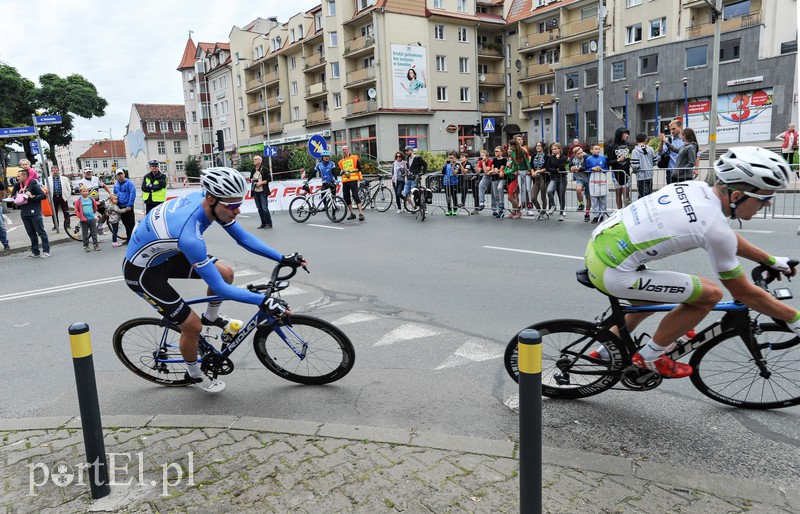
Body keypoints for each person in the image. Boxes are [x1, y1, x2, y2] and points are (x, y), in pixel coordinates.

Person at [585, 147, 800, 378]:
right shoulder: (714, 226)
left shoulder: (695, 188)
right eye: (765, 198)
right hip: (615, 272)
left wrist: (770, 260)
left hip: (599, 248)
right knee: (710, 295)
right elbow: (746, 293)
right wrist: (794, 318)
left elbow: (724, 236)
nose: (768, 204)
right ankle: (650, 357)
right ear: (737, 196)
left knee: (649, 299)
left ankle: (606, 350)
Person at [123, 167, 307, 393]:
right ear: (211, 199)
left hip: (166, 254)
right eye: (232, 206)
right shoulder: (189, 235)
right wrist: (263, 301)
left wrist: (282, 257)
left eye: (239, 203)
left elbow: (243, 238)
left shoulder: (210, 202)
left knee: (225, 272)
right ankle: (194, 374)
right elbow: (221, 289)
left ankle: (212, 316)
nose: (237, 210)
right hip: (143, 272)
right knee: (192, 326)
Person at [11, 169, 50, 258]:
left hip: (35, 213)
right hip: (24, 213)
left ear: (25, 177)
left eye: (19, 176)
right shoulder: (19, 186)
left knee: (41, 232)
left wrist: (33, 197)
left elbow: (43, 196)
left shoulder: (33, 186)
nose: (17, 178)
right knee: (31, 233)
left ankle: (46, 251)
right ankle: (35, 251)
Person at [78, 167, 112, 234]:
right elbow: (84, 194)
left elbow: (104, 186)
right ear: (84, 173)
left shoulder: (96, 179)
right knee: (91, 219)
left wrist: (111, 193)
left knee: (106, 213)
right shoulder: (81, 182)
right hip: (88, 203)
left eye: (90, 172)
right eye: (87, 172)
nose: (88, 173)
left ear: (92, 172)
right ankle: (92, 234)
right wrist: (93, 202)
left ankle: (99, 227)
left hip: (97, 202)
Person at [607, 127, 632, 210]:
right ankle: (620, 211)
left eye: (627, 133)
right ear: (619, 134)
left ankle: (628, 211)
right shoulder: (612, 146)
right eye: (625, 133)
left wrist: (629, 161)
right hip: (616, 172)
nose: (627, 135)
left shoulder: (627, 144)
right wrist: (618, 160)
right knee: (618, 193)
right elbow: (609, 162)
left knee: (626, 193)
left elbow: (628, 157)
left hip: (626, 171)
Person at [338, 145, 365, 221]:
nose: (344, 151)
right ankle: (352, 213)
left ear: (348, 150)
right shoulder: (341, 162)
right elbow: (341, 171)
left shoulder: (354, 158)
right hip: (345, 181)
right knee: (346, 197)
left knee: (355, 196)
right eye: (343, 150)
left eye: (345, 149)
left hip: (353, 180)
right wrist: (342, 172)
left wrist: (350, 171)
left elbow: (359, 168)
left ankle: (361, 213)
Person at [585, 144, 609, 223]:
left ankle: (602, 215)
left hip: (602, 180)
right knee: (594, 199)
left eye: (599, 149)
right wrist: (592, 168)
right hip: (593, 181)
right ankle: (595, 216)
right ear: (591, 150)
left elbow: (607, 168)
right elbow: (586, 168)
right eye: (596, 149)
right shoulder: (588, 159)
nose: (598, 150)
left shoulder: (603, 158)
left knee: (603, 198)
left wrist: (602, 169)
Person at [546, 142, 569, 221]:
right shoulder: (550, 158)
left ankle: (561, 213)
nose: (553, 151)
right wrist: (555, 170)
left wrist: (558, 159)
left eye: (555, 149)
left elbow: (562, 167)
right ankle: (553, 205)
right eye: (552, 149)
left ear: (560, 149)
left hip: (562, 178)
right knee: (549, 191)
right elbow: (548, 167)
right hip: (554, 178)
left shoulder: (563, 157)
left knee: (561, 195)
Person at [658, 120, 685, 184]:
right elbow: (660, 152)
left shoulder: (685, 139)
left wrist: (696, 169)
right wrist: (662, 142)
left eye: (674, 129)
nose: (672, 131)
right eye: (670, 129)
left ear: (680, 127)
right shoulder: (669, 140)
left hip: (684, 170)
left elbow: (696, 154)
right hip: (671, 170)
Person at [631, 133, 656, 199]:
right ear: (645, 140)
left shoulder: (635, 151)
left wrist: (634, 170)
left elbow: (635, 165)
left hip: (641, 176)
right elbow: (655, 162)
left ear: (636, 141)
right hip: (650, 175)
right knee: (649, 195)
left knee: (643, 197)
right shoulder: (650, 149)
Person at [249, 155, 272, 229]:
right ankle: (263, 223)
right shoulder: (253, 170)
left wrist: (261, 183)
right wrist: (251, 180)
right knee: (259, 208)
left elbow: (269, 179)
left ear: (259, 161)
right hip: (255, 191)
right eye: (254, 159)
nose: (254, 160)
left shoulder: (265, 169)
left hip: (262, 191)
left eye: (255, 159)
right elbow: (251, 178)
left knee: (264, 208)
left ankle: (269, 223)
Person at [46, 165, 71, 232]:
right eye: (54, 170)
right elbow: (46, 189)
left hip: (62, 197)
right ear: (51, 171)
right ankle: (56, 225)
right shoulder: (48, 179)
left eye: (56, 170)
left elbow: (69, 188)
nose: (55, 172)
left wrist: (67, 196)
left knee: (66, 211)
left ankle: (67, 224)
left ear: (58, 171)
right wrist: (48, 198)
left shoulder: (64, 179)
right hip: (53, 197)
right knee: (54, 212)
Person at [113, 170, 137, 241]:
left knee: (131, 224)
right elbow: (115, 195)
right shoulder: (116, 184)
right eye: (118, 174)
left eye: (121, 174)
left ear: (124, 174)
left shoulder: (129, 183)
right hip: (121, 207)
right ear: (116, 176)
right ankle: (128, 239)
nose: (120, 176)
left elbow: (132, 194)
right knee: (125, 224)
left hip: (128, 206)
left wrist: (129, 205)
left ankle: (131, 240)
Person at [75, 186, 100, 251]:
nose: (85, 192)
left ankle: (96, 245)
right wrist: (81, 217)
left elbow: (95, 207)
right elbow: (76, 210)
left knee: (94, 232)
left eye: (86, 191)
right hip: (83, 220)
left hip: (92, 218)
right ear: (80, 192)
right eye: (83, 191)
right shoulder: (78, 201)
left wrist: (92, 213)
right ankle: (86, 246)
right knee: (85, 234)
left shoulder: (91, 199)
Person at [403, 146, 428, 211]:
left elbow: (425, 164)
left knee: (415, 193)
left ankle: (421, 206)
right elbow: (409, 168)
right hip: (409, 178)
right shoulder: (408, 158)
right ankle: (414, 206)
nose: (406, 152)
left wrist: (423, 173)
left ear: (411, 150)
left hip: (415, 179)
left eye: (407, 151)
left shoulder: (417, 158)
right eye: (405, 151)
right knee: (405, 193)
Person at [570, 146, 590, 222]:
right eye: (578, 154)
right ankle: (581, 204)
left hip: (587, 179)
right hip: (580, 179)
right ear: (575, 154)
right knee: (578, 190)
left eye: (581, 152)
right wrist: (571, 168)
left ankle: (587, 214)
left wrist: (578, 169)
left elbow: (586, 167)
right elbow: (570, 166)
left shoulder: (585, 157)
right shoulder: (573, 158)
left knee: (588, 197)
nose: (581, 154)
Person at [489, 146, 507, 218]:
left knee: (500, 188)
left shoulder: (504, 160)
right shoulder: (494, 160)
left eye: (497, 151)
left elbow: (501, 169)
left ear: (501, 152)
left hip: (501, 178)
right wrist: (494, 170)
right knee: (496, 194)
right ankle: (499, 210)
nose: (495, 152)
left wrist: (497, 170)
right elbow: (492, 169)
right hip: (494, 178)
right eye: (495, 151)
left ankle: (502, 204)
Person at [442, 152, 460, 216]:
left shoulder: (457, 164)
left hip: (454, 182)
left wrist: (452, 166)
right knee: (448, 197)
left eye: (452, 158)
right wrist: (444, 166)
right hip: (446, 182)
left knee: (454, 196)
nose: (451, 159)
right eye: (449, 158)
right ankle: (449, 210)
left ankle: (455, 210)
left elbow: (455, 172)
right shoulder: (447, 164)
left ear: (455, 157)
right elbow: (443, 172)